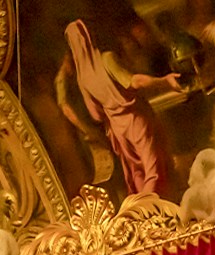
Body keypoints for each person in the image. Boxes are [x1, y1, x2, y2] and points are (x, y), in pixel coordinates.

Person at [55, 19, 182, 196]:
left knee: (138, 173)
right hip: (136, 120)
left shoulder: (82, 78)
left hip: (117, 131)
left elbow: (96, 114)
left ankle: (144, 216)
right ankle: (153, 210)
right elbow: (134, 81)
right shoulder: (106, 59)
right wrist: (164, 81)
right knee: (154, 173)